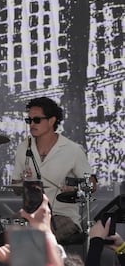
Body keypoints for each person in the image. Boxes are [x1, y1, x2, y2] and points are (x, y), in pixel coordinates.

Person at [13, 96, 95, 245]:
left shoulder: (72, 150)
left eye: (37, 120)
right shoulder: (23, 147)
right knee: (3, 237)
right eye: (29, 120)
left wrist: (75, 188)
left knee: (39, 237)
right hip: (32, 216)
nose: (31, 124)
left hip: (63, 217)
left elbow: (92, 184)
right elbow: (16, 187)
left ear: (51, 121)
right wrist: (24, 182)